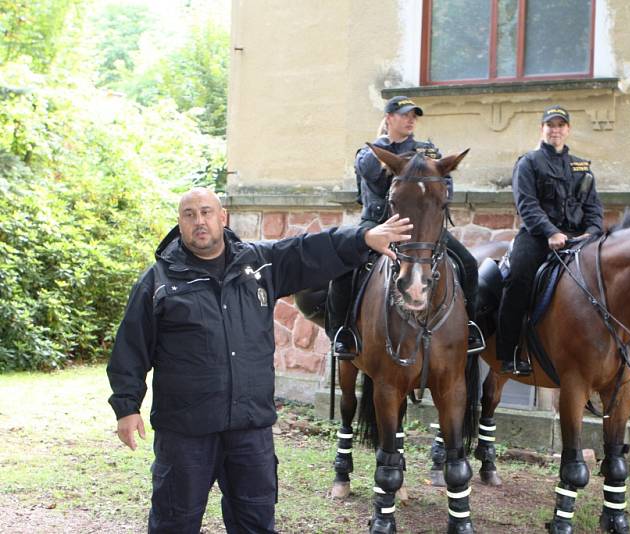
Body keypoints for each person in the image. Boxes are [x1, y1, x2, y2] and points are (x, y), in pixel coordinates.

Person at [107, 187, 412, 533]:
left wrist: (363, 239)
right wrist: (127, 406)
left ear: (223, 217)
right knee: (174, 522)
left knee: (255, 523)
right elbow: (131, 346)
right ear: (179, 223)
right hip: (186, 431)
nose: (199, 221)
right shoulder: (159, 280)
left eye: (206, 212)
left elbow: (307, 251)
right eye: (189, 215)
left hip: (249, 428)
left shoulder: (259, 263)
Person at [326, 95, 484, 358]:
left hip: (423, 227)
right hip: (378, 223)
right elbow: (378, 182)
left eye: (414, 115)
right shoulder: (369, 153)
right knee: (345, 269)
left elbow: (445, 187)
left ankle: (469, 326)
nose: (411, 119)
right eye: (404, 114)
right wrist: (390, 148)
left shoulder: (429, 151)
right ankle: (342, 333)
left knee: (467, 263)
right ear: (389, 119)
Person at [496, 105, 604, 375]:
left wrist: (592, 231)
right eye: (550, 125)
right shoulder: (528, 163)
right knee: (518, 278)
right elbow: (527, 205)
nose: (555, 130)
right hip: (537, 236)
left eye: (560, 125)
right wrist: (550, 232)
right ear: (542, 129)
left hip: (578, 238)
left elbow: (593, 207)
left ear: (567, 130)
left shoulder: (581, 166)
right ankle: (507, 352)